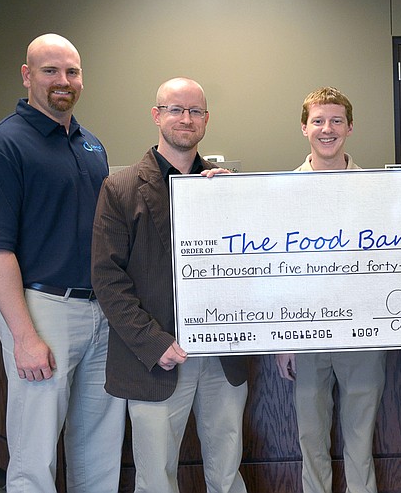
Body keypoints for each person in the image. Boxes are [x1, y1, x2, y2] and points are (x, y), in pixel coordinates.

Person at [0, 34, 126, 492]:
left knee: (99, 449)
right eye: (50, 70)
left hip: (101, 312)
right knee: (35, 454)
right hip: (42, 311)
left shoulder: (91, 145)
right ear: (27, 75)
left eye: (72, 72)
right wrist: (24, 336)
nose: (63, 81)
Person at [91, 77, 249, 493]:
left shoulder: (225, 188)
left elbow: (250, 263)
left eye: (195, 111)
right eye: (176, 109)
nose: (186, 118)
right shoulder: (120, 189)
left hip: (221, 357)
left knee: (227, 471)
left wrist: (238, 202)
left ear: (206, 120)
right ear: (157, 115)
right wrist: (151, 342)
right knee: (157, 476)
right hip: (156, 358)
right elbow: (108, 279)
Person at [275, 87, 387, 493]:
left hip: (363, 333)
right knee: (311, 439)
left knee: (360, 442)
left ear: (350, 128)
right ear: (304, 128)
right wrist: (282, 338)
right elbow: (274, 269)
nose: (327, 129)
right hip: (305, 334)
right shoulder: (281, 191)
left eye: (336, 120)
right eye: (318, 121)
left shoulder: (376, 190)